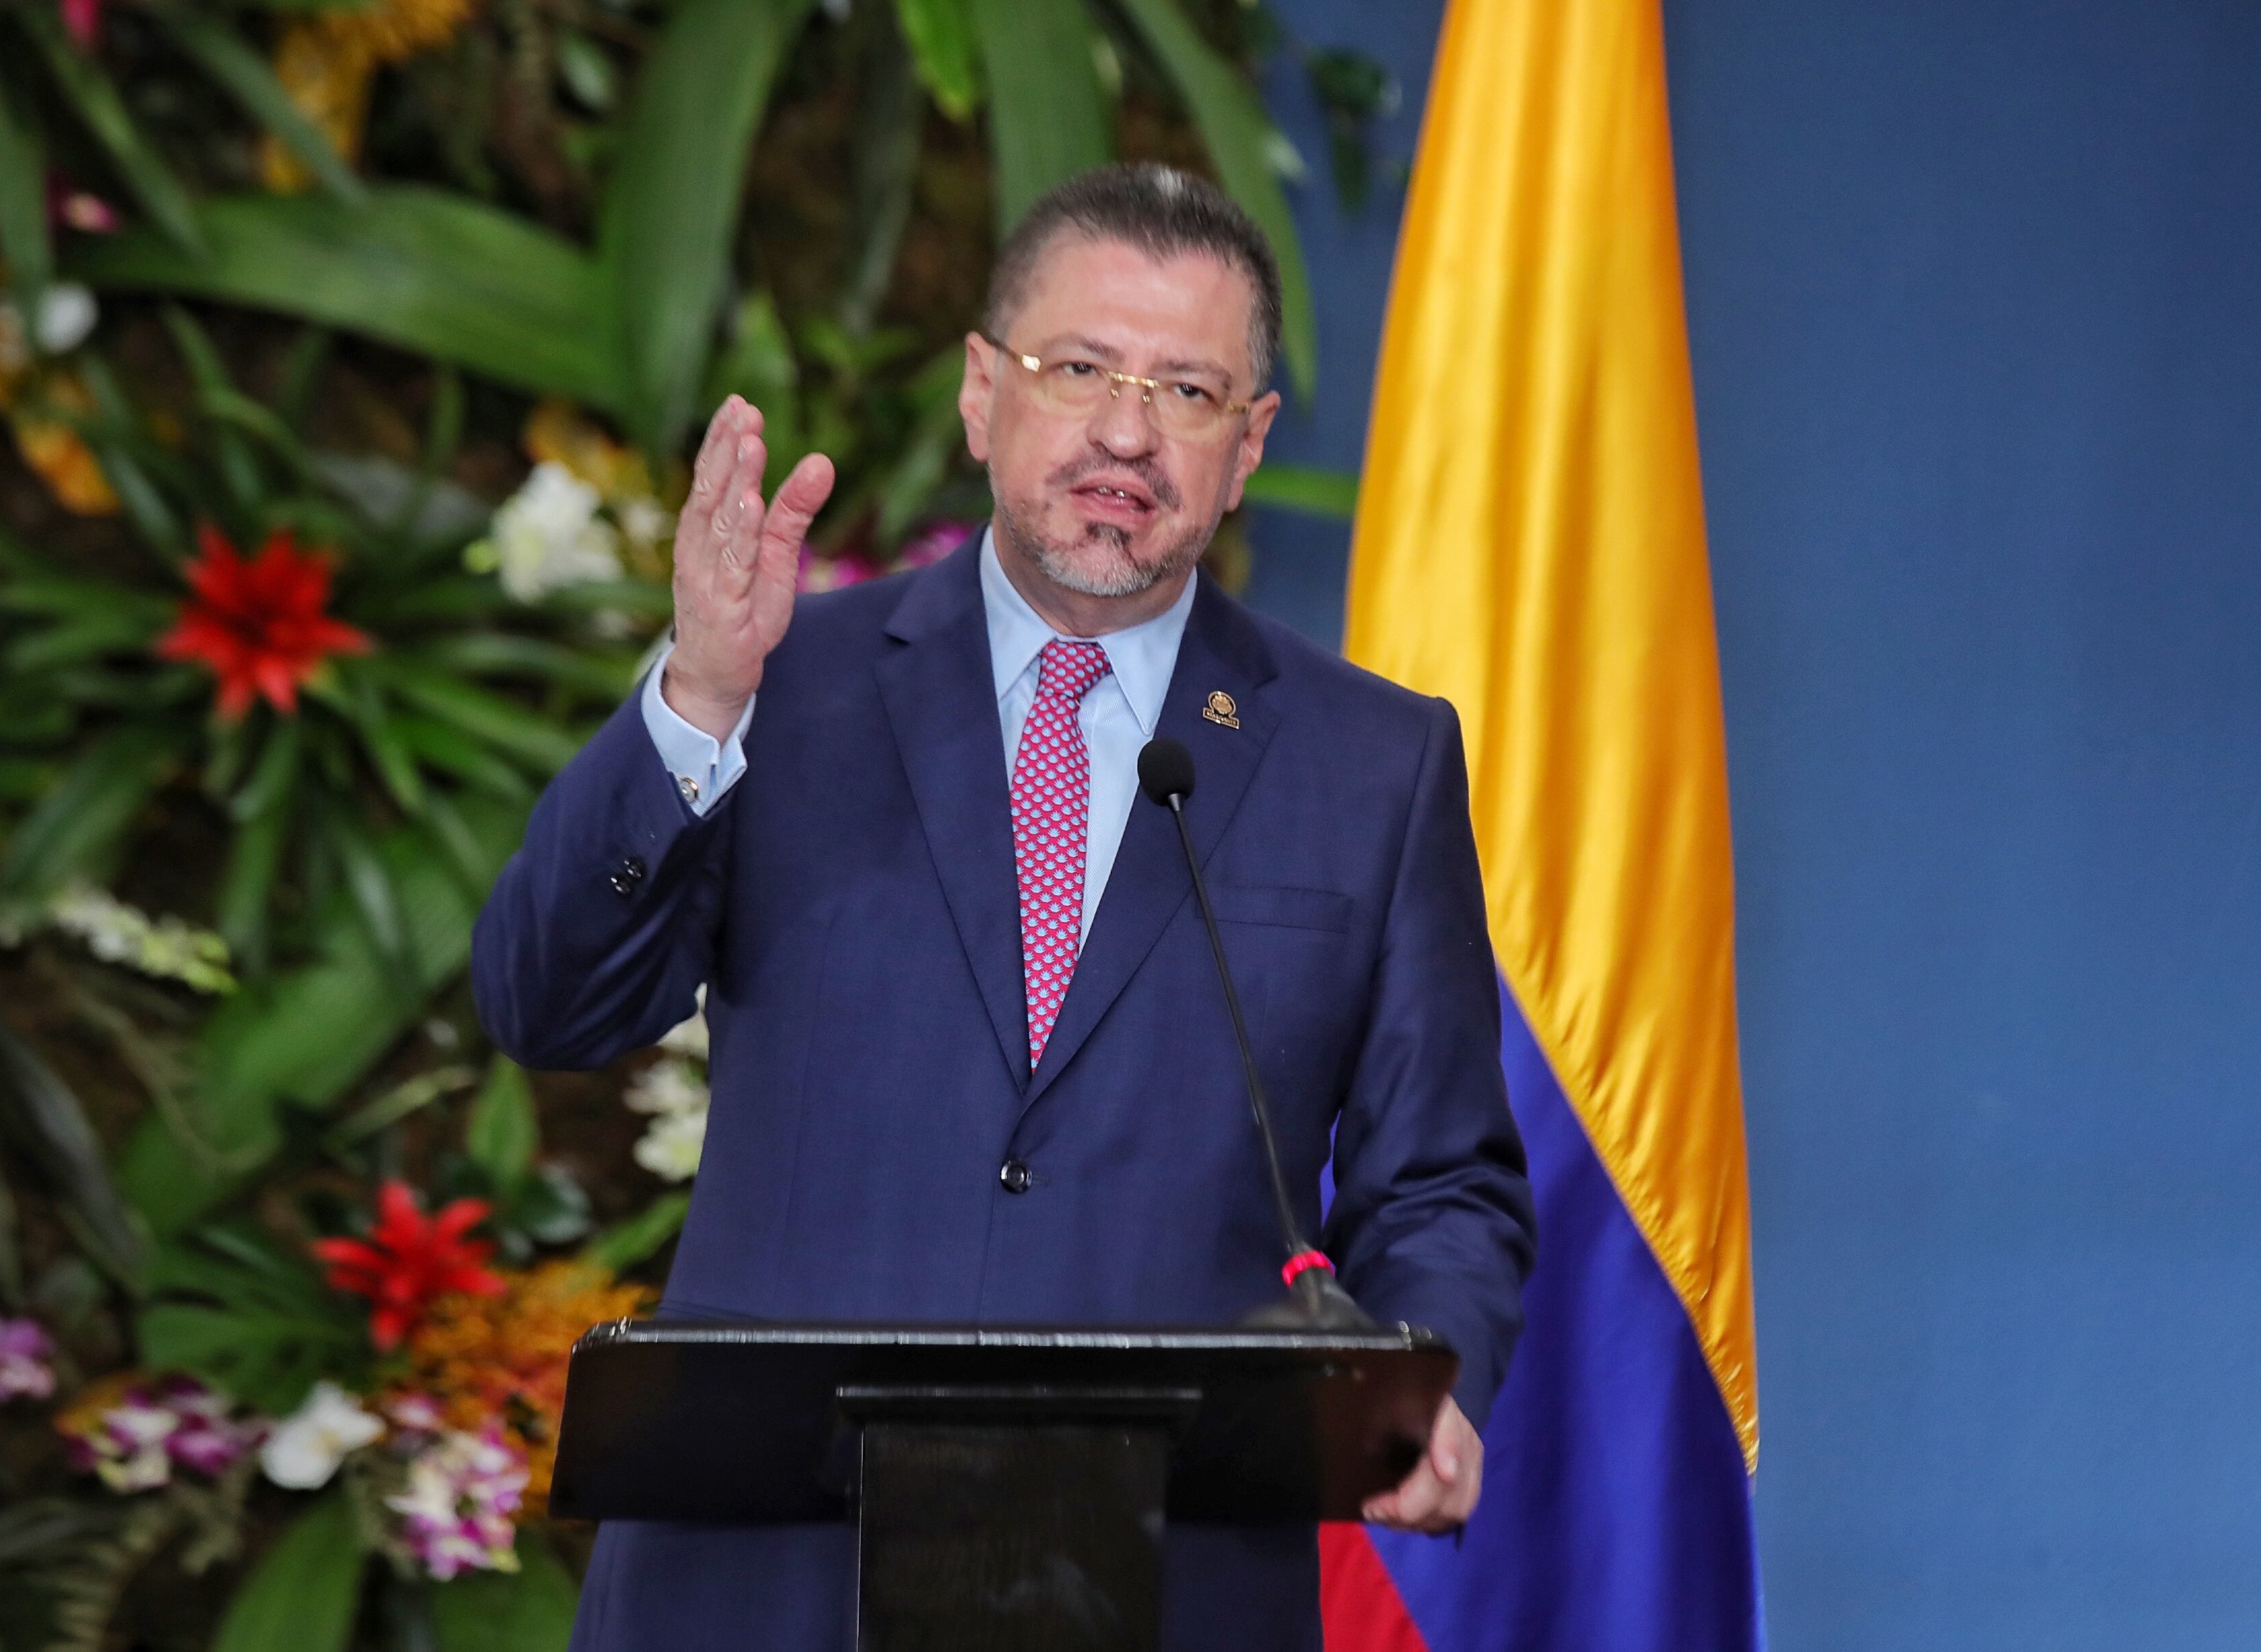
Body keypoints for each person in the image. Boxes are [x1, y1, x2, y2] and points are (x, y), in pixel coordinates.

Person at [472, 162, 1535, 1652]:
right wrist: (698, 692)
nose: (1125, 431)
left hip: (1173, 1591)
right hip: (763, 1589)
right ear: (982, 394)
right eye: (1079, 367)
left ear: (1249, 449)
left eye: (1188, 390)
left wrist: (1428, 1387)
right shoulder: (782, 682)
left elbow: (1444, 1186)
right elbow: (548, 1001)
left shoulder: (1374, 760)